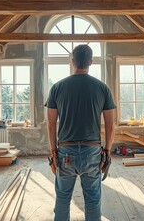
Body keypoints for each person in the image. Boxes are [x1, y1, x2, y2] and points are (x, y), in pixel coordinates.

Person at [45, 44, 116, 221]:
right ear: (90, 62)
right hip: (92, 152)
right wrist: (107, 152)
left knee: (62, 199)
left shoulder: (57, 88)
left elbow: (51, 124)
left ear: (72, 62)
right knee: (92, 201)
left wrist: (53, 153)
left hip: (65, 151)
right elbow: (110, 125)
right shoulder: (102, 88)